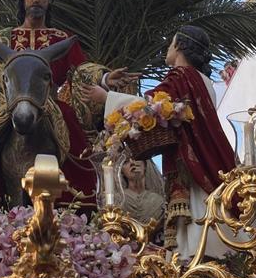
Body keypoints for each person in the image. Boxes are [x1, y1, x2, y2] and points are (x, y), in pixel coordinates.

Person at [0, 0, 137, 224]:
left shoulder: (61, 39)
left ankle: (76, 199)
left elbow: (82, 69)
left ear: (49, 0)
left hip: (48, 104)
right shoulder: (2, 38)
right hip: (7, 103)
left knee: (68, 122)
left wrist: (104, 79)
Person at [90, 26, 237, 259]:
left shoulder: (181, 75)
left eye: (170, 44)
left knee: (196, 206)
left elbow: (154, 107)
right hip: (208, 157)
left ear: (179, 46)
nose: (167, 49)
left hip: (191, 161)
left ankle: (194, 254)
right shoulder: (204, 81)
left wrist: (107, 98)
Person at [121, 158, 165, 241]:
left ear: (145, 165)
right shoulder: (117, 199)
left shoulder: (159, 201)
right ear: (122, 171)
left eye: (137, 158)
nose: (132, 163)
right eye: (126, 162)